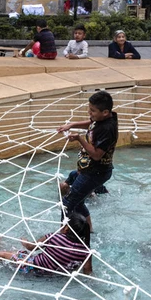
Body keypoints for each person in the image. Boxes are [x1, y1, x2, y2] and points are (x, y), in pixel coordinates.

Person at [0, 214, 92, 277]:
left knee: (2, 254)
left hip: (32, 268)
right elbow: (87, 271)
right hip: (55, 275)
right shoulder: (86, 251)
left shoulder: (54, 237)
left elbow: (30, 247)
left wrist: (24, 239)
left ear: (67, 228)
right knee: (14, 251)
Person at [56, 90, 118, 222]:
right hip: (90, 170)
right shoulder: (104, 118)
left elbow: (96, 155)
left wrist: (79, 138)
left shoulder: (107, 129)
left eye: (93, 110)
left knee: (67, 204)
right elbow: (91, 123)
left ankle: (64, 236)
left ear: (105, 112)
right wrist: (71, 125)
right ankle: (88, 231)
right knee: (78, 202)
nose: (90, 113)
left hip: (95, 173)